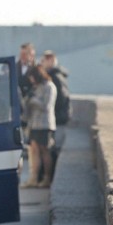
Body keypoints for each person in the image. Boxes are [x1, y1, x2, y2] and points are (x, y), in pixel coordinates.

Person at [22, 64, 57, 188]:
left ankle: (47, 178)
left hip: (44, 124)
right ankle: (34, 178)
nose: (31, 80)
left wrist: (33, 100)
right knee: (34, 151)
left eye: (32, 77)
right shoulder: (36, 87)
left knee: (44, 151)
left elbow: (46, 106)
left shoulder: (49, 87)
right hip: (33, 124)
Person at [40, 50, 72, 178]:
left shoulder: (56, 77)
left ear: (51, 60)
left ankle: (52, 177)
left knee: (55, 149)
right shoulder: (56, 75)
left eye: (44, 60)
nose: (42, 63)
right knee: (52, 149)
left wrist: (50, 110)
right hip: (58, 118)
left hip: (58, 118)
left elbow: (61, 99)